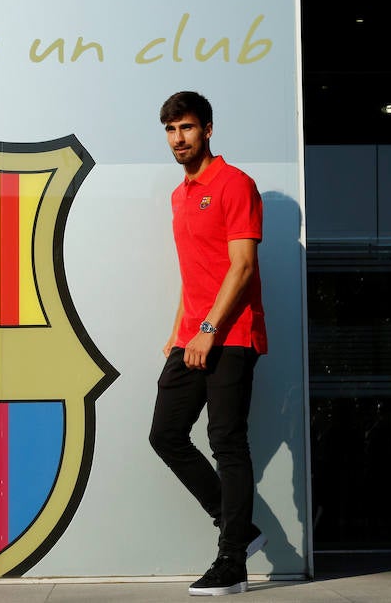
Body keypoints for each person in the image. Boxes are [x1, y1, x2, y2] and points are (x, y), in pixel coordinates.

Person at [148, 91, 268, 596]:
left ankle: (232, 561)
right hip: (194, 336)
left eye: (187, 127)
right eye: (171, 130)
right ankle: (239, 527)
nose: (179, 138)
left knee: (227, 443)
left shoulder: (235, 184)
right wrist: (180, 330)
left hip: (231, 335)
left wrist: (208, 330)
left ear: (208, 130)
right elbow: (194, 272)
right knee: (166, 434)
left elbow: (242, 267)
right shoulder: (179, 195)